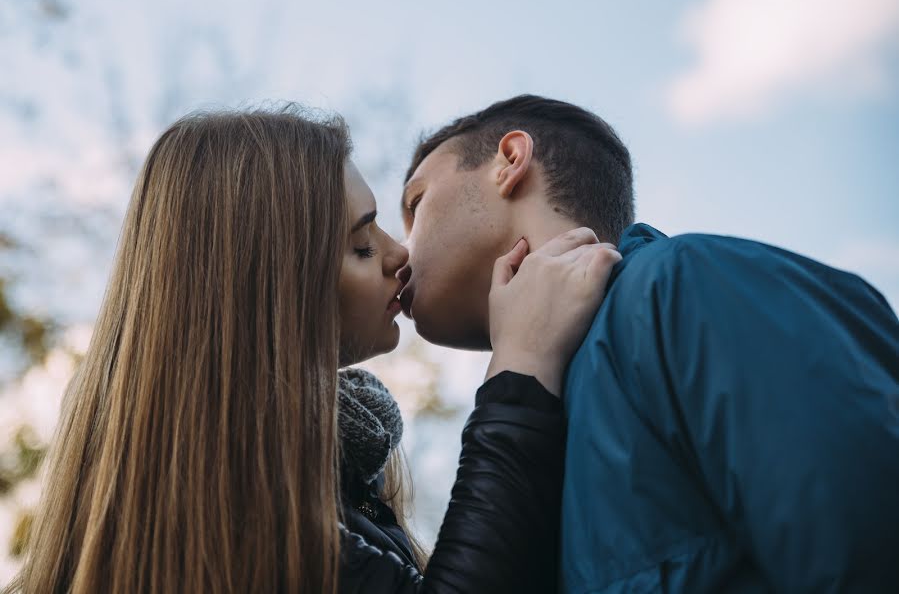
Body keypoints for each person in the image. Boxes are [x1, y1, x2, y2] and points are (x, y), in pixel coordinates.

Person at [10, 105, 620, 594]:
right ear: (266, 282)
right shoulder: (243, 519)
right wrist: (520, 375)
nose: (398, 254)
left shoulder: (312, 474)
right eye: (360, 246)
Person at [399, 94, 899, 593]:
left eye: (415, 205)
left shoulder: (684, 288)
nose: (399, 253)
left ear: (510, 162)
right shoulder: (538, 416)